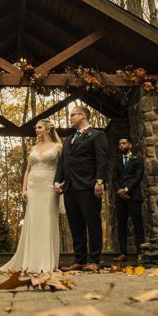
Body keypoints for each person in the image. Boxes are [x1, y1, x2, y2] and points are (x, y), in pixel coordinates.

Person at [0, 119, 62, 273]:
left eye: (39, 127)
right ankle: (30, 261)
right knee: (32, 221)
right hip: (33, 187)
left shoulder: (58, 146)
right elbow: (27, 170)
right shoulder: (34, 147)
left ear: (47, 129)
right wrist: (24, 189)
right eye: (36, 128)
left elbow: (63, 167)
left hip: (49, 187)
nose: (36, 130)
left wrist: (60, 183)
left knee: (47, 220)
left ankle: (46, 262)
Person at [55, 106, 109, 272]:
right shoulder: (69, 139)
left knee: (92, 222)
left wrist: (100, 181)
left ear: (83, 115)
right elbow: (63, 162)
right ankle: (79, 259)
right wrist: (58, 181)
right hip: (70, 188)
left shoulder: (97, 135)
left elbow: (102, 159)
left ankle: (94, 260)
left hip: (88, 185)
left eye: (72, 115)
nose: (70, 118)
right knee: (75, 224)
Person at [112, 136, 146, 262]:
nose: (121, 145)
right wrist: (119, 191)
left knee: (138, 225)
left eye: (124, 143)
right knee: (121, 225)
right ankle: (122, 253)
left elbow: (138, 177)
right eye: (120, 143)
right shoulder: (116, 160)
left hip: (134, 197)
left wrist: (126, 189)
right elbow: (114, 178)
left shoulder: (137, 160)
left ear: (130, 145)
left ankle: (141, 252)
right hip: (120, 198)